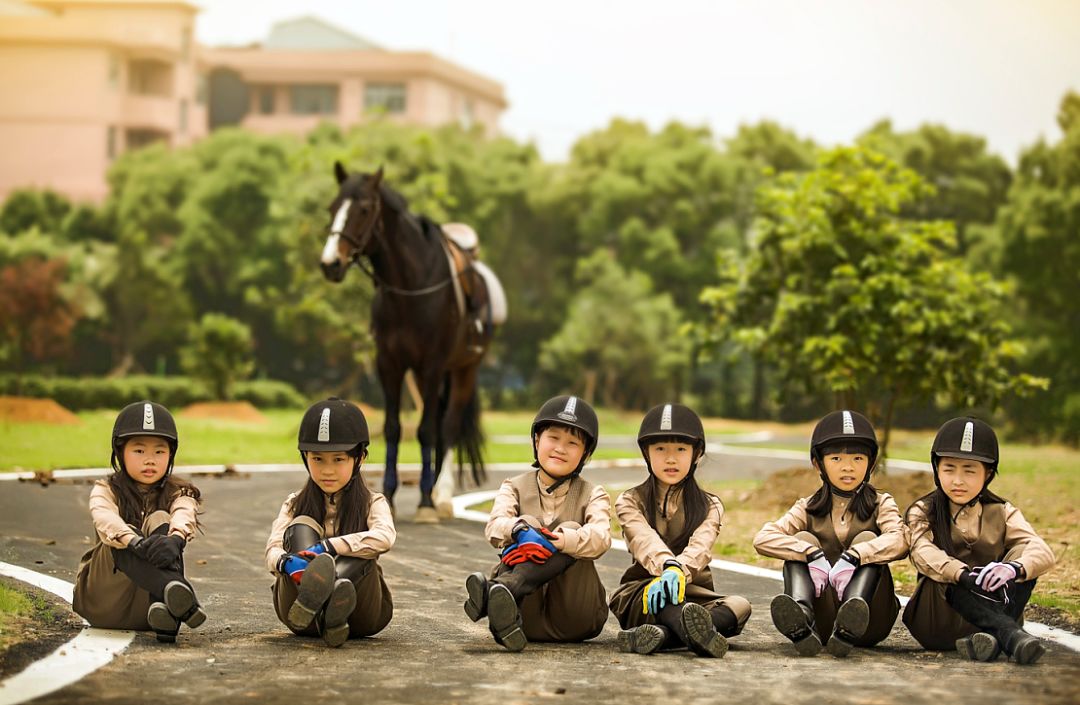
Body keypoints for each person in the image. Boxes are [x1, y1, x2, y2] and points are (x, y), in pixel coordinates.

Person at [753, 410, 908, 656]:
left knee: (867, 539)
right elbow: (763, 539)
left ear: (871, 463)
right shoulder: (807, 506)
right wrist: (811, 554)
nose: (848, 467)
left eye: (858, 458)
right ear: (818, 463)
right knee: (801, 541)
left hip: (870, 619)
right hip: (823, 621)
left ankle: (851, 616)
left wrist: (855, 556)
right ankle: (801, 619)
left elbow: (900, 539)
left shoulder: (882, 503)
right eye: (836, 459)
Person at [463, 395, 611, 651]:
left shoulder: (593, 493)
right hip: (525, 614)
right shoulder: (514, 486)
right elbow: (495, 525)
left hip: (575, 617)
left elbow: (601, 537)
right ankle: (505, 614)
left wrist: (564, 541)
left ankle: (499, 589)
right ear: (536, 440)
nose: (560, 448)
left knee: (574, 531)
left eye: (572, 442)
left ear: (585, 453)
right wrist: (519, 530)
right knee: (526, 523)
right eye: (553, 437)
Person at [903, 417, 1055, 664]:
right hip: (938, 622)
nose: (958, 481)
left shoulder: (1002, 511)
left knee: (1025, 558)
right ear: (936, 470)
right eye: (949, 469)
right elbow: (922, 552)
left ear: (988, 474)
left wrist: (1012, 568)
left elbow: (1042, 550)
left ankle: (992, 639)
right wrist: (964, 576)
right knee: (943, 572)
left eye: (969, 471)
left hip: (994, 609)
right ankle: (1009, 635)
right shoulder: (922, 511)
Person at [609, 403, 751, 657]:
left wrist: (680, 571)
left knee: (741, 606)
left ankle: (663, 637)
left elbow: (700, 547)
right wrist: (667, 567)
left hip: (694, 593)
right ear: (646, 452)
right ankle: (696, 635)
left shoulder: (711, 505)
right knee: (665, 595)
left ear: (696, 453)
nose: (671, 458)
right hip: (645, 591)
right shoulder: (630, 501)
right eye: (660, 449)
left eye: (681, 449)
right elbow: (644, 540)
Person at [266, 398, 395, 647]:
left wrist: (330, 547)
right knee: (301, 525)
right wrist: (286, 562)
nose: (327, 470)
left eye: (338, 459)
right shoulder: (294, 503)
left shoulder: (373, 502)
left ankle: (332, 598)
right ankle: (321, 605)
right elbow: (272, 550)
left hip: (360, 614)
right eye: (318, 459)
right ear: (305, 458)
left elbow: (385, 537)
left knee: (363, 545)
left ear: (360, 458)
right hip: (300, 613)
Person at [73, 401, 205, 643]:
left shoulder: (180, 491)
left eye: (159, 451)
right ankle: (179, 596)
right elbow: (105, 519)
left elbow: (184, 513)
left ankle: (166, 613)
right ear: (120, 452)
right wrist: (134, 542)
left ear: (171, 454)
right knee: (122, 534)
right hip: (103, 603)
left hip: (146, 611)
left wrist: (175, 540)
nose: (150, 460)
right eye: (139, 450)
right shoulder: (106, 489)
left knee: (161, 519)